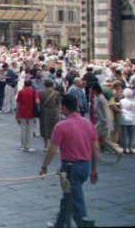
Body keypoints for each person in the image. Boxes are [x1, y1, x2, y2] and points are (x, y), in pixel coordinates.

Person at [40, 94, 99, 228]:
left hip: (70, 168)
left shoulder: (61, 126)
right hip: (85, 166)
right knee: (68, 197)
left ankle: (84, 224)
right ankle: (59, 224)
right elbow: (95, 148)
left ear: (64, 107)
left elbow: (52, 150)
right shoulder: (87, 123)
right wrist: (94, 170)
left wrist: (44, 166)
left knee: (76, 201)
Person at [16, 79, 40, 152]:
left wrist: (17, 113)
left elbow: (18, 103)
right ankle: (28, 146)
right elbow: (37, 102)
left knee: (23, 129)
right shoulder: (34, 92)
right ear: (31, 85)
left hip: (22, 112)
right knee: (30, 130)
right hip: (31, 112)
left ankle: (22, 145)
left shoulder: (21, 92)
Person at [39, 79, 61, 151]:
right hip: (54, 111)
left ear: (45, 85)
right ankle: (52, 145)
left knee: (45, 127)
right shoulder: (56, 93)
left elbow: (39, 103)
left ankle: (45, 145)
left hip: (44, 111)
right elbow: (58, 103)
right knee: (53, 127)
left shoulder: (41, 93)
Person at [119, 88, 135, 154]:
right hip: (133, 119)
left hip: (124, 118)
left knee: (124, 135)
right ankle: (130, 149)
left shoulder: (121, 101)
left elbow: (120, 109)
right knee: (132, 135)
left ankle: (124, 149)